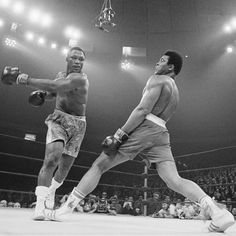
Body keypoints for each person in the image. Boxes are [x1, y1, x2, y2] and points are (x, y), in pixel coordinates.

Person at [44, 50, 234, 232]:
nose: (157, 63)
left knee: (99, 165)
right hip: (161, 132)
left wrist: (120, 134)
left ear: (170, 67)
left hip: (146, 129)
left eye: (162, 60)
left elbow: (142, 110)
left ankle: (64, 210)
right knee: (174, 180)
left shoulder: (157, 79)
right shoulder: (175, 89)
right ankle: (219, 213)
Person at [1, 46, 89, 220]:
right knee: (51, 160)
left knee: (63, 170)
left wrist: (23, 79)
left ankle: (52, 191)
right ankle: (39, 207)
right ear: (67, 59)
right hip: (58, 120)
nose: (78, 62)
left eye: (81, 59)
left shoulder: (80, 79)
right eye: (74, 58)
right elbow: (52, 92)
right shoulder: (60, 75)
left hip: (78, 125)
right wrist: (42, 95)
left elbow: (57, 85)